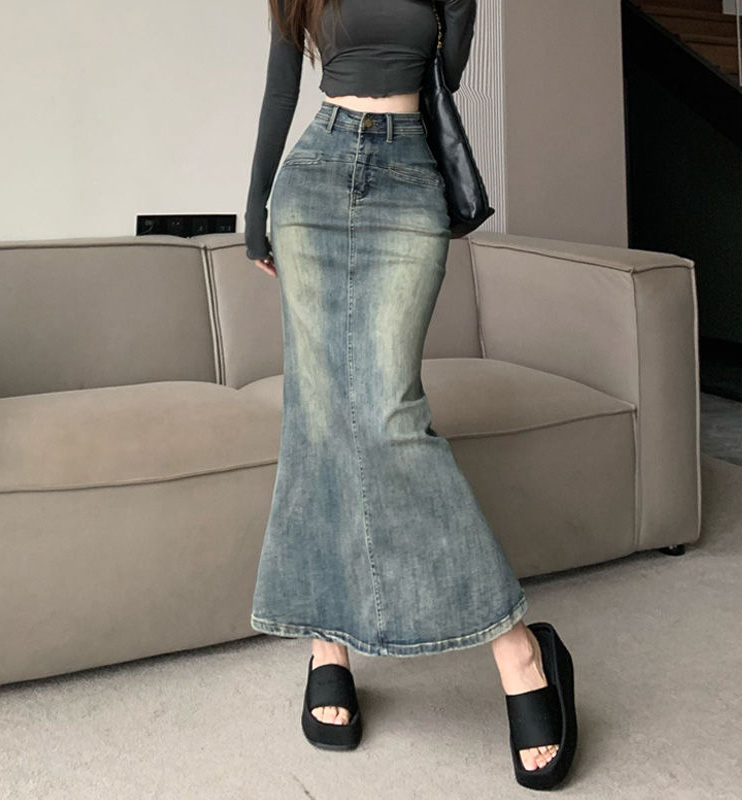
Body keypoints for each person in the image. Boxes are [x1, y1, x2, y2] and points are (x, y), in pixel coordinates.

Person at [243, 0, 577, 789]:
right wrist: (254, 209)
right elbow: (282, 85)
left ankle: (522, 648)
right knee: (319, 417)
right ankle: (328, 647)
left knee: (390, 414)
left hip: (407, 176)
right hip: (314, 179)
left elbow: (444, 74)